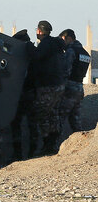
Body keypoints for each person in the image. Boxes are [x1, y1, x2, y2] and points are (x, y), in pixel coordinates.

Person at [31, 20, 66, 155]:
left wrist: (29, 48)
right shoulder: (56, 43)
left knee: (43, 114)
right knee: (53, 114)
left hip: (47, 85)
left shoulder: (45, 44)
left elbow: (37, 58)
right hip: (58, 84)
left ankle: (48, 145)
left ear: (39, 31)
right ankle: (54, 142)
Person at [10, 29, 38, 160]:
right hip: (30, 94)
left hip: (21, 95)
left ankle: (19, 154)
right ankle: (32, 152)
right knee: (32, 124)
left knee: (17, 124)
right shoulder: (34, 54)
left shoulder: (18, 56)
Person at [58, 29, 90, 132]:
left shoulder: (71, 51)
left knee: (59, 118)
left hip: (69, 88)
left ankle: (53, 146)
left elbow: (65, 71)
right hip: (79, 88)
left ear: (69, 38)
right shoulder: (85, 54)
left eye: (63, 40)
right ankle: (80, 144)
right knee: (75, 119)